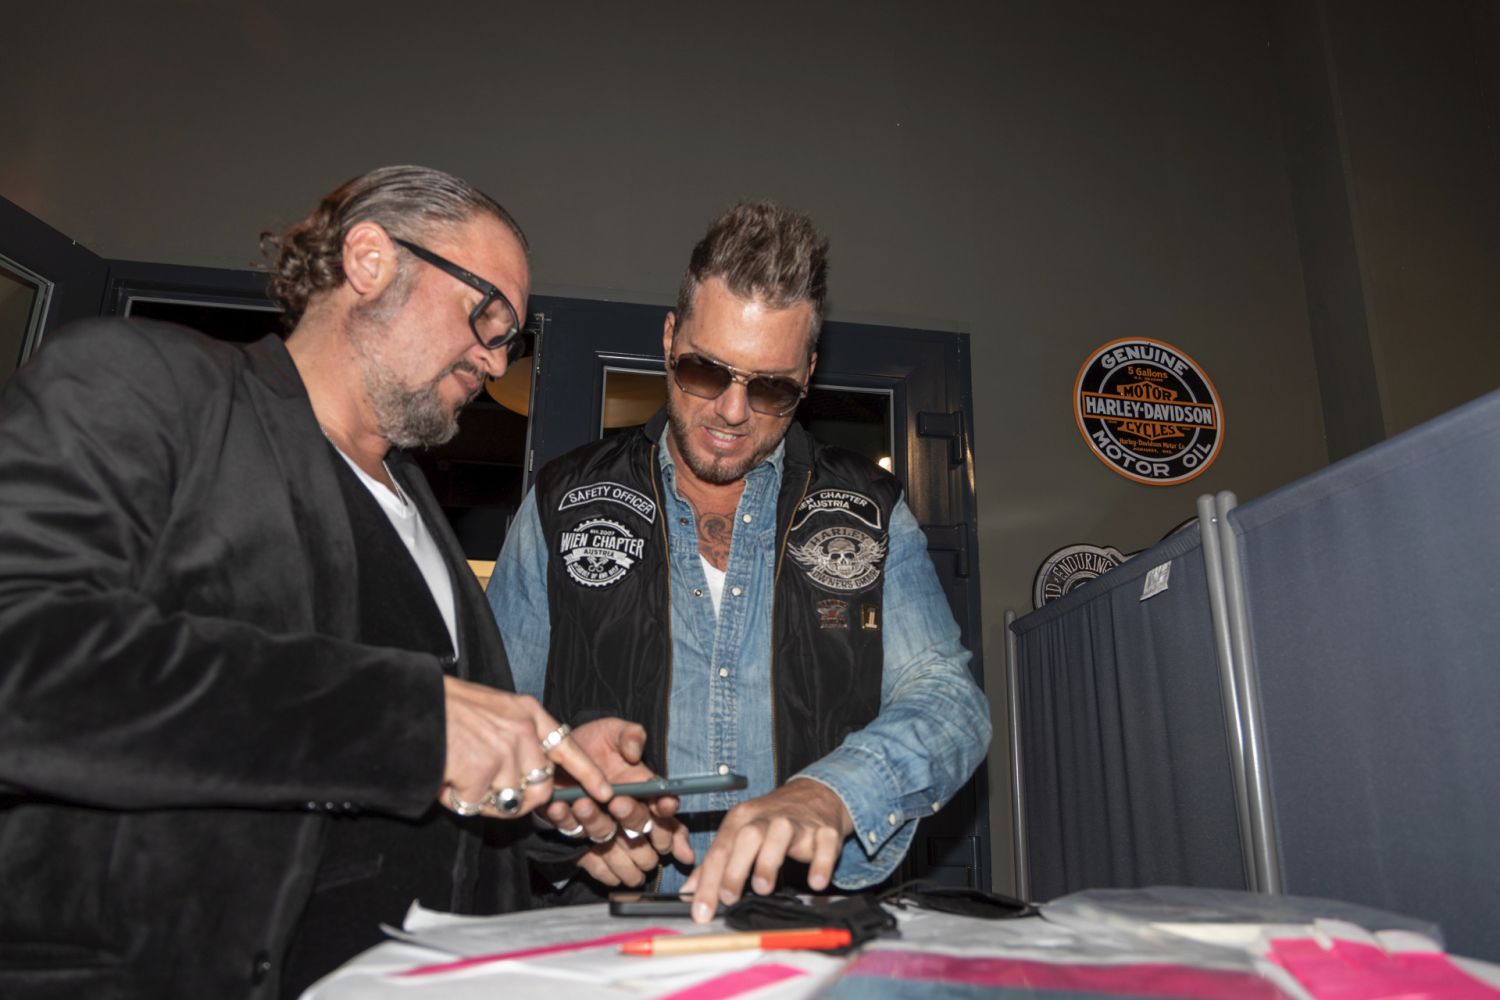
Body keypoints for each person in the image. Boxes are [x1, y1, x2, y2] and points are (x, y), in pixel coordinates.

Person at [0, 165, 675, 999]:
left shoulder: (422, 510)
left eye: (510, 338)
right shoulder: (149, 384)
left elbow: (415, 790)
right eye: (486, 316)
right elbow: (25, 661)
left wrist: (548, 793)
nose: (496, 359)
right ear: (369, 260)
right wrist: (415, 719)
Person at [488, 201, 992, 923]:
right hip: (610, 930)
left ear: (807, 376)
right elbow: (493, 719)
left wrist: (833, 794)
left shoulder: (870, 509)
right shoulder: (560, 502)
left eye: (770, 387)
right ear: (670, 339)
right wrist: (560, 812)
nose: (731, 410)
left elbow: (949, 703)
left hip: (807, 929)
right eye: (705, 369)